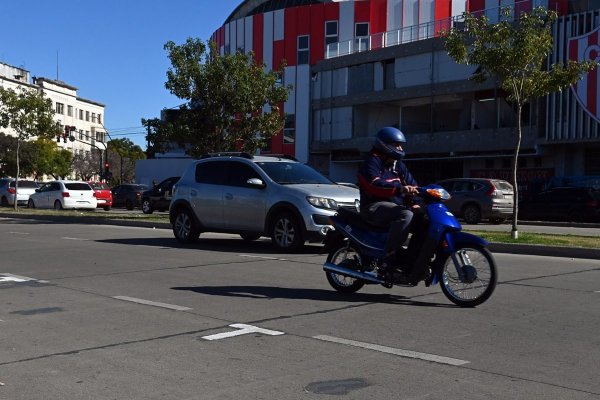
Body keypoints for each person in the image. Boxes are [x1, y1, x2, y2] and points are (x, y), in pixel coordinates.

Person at [357, 126, 419, 277]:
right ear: (385, 144)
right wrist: (400, 189)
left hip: (393, 207)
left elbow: (413, 185)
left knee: (423, 216)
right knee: (406, 215)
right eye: (397, 144)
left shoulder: (399, 166)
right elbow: (374, 185)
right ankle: (389, 257)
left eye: (401, 144)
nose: (400, 148)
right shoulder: (372, 162)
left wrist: (417, 201)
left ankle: (414, 258)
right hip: (373, 207)